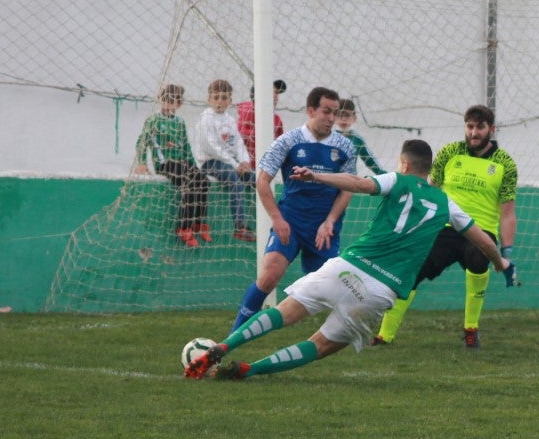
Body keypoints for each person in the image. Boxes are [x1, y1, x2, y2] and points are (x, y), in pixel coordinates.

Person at [184, 139, 518, 380]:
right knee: (323, 343)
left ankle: (225, 345)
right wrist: (502, 264)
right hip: (380, 292)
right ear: (429, 169)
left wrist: (317, 176)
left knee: (285, 311)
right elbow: (484, 243)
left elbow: (358, 183)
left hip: (350, 266)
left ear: (404, 164)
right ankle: (252, 369)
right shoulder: (447, 204)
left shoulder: (396, 180)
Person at [374, 104, 519, 349]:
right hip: (446, 227)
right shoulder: (450, 153)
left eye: (480, 127)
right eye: (470, 127)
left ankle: (471, 330)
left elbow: (507, 212)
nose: (474, 133)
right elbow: (430, 191)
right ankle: (383, 336)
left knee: (478, 258)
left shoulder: (505, 163)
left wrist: (506, 253)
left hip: (481, 231)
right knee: (412, 270)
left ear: (491, 129)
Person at [228, 86, 357, 332]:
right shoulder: (288, 141)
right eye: (326, 112)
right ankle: (234, 335)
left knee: (327, 290)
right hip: (291, 221)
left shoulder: (345, 147)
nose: (331, 118)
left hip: (324, 227)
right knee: (269, 276)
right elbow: (262, 180)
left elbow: (348, 188)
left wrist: (330, 220)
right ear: (311, 110)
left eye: (335, 113)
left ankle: (339, 337)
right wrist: (277, 219)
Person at [134, 83, 212, 247]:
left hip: (182, 163)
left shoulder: (180, 122)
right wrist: (142, 163)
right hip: (165, 164)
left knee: (204, 181)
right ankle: (184, 227)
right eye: (165, 100)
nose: (168, 104)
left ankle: (199, 223)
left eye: (172, 101)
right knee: (190, 183)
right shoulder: (154, 120)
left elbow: (186, 147)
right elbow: (142, 141)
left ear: (179, 104)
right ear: (161, 100)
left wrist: (194, 167)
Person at [194, 78, 257, 241]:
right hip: (211, 162)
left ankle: (267, 221)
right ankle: (240, 226)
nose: (219, 101)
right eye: (216, 97)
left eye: (224, 97)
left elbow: (238, 144)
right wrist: (235, 164)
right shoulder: (206, 119)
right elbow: (211, 147)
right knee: (235, 181)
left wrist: (244, 162)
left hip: (231, 161)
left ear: (230, 100)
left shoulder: (229, 120)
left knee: (257, 179)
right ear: (209, 99)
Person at [236, 79, 288, 165]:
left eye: (277, 93)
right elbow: (240, 135)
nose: (276, 96)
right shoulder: (248, 112)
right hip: (245, 166)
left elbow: (281, 145)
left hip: (265, 166)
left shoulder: (277, 120)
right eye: (272, 92)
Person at [334, 99, 387, 175]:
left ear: (354, 118)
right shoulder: (327, 137)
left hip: (350, 182)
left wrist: (386, 177)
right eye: (340, 115)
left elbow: (369, 160)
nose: (343, 119)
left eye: (347, 115)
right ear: (333, 117)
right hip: (329, 182)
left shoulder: (357, 139)